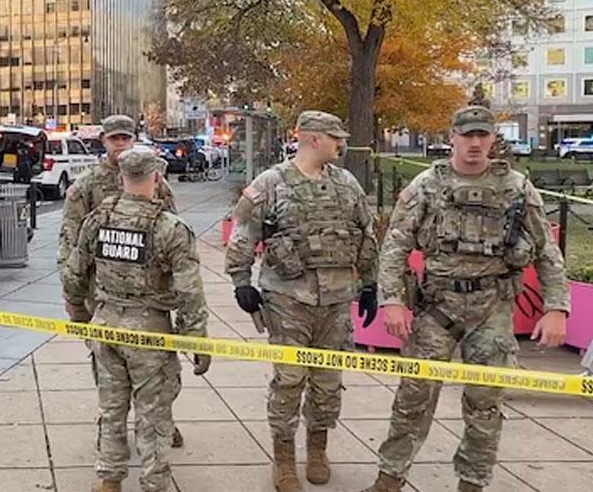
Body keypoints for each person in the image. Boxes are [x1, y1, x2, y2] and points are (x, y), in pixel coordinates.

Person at [359, 106, 569, 492]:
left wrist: (556, 308)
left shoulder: (517, 188)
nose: (474, 143)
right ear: (452, 137)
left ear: (492, 139)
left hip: (493, 308)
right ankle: (389, 477)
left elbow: (547, 252)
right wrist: (391, 300)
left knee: (485, 403)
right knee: (414, 396)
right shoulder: (427, 185)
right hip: (438, 306)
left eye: (482, 136)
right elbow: (395, 246)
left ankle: (472, 483)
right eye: (467, 135)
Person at [225, 110, 379, 492]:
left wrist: (371, 285)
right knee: (290, 379)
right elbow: (243, 232)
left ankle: (318, 449)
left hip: (336, 300)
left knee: (328, 380)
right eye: (334, 137)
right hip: (288, 299)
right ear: (312, 138)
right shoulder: (272, 183)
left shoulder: (346, 184)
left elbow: (365, 234)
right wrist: (241, 281)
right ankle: (284, 461)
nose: (340, 143)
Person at [63, 147, 210, 492]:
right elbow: (190, 292)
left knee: (111, 408)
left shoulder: (97, 219)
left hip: (106, 325)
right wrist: (197, 340)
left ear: (121, 178)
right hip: (150, 332)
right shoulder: (171, 227)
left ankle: (109, 481)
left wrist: (81, 314)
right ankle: (154, 483)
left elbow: (74, 274)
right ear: (157, 178)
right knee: (153, 416)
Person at [58, 115, 183, 447]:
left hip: (148, 295)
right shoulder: (86, 186)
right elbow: (70, 243)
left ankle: (160, 421)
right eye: (115, 139)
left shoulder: (156, 181)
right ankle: (110, 427)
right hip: (103, 293)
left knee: (158, 370)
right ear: (103, 140)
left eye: (126, 138)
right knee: (108, 370)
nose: (121, 144)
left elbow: (171, 232)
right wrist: (72, 295)